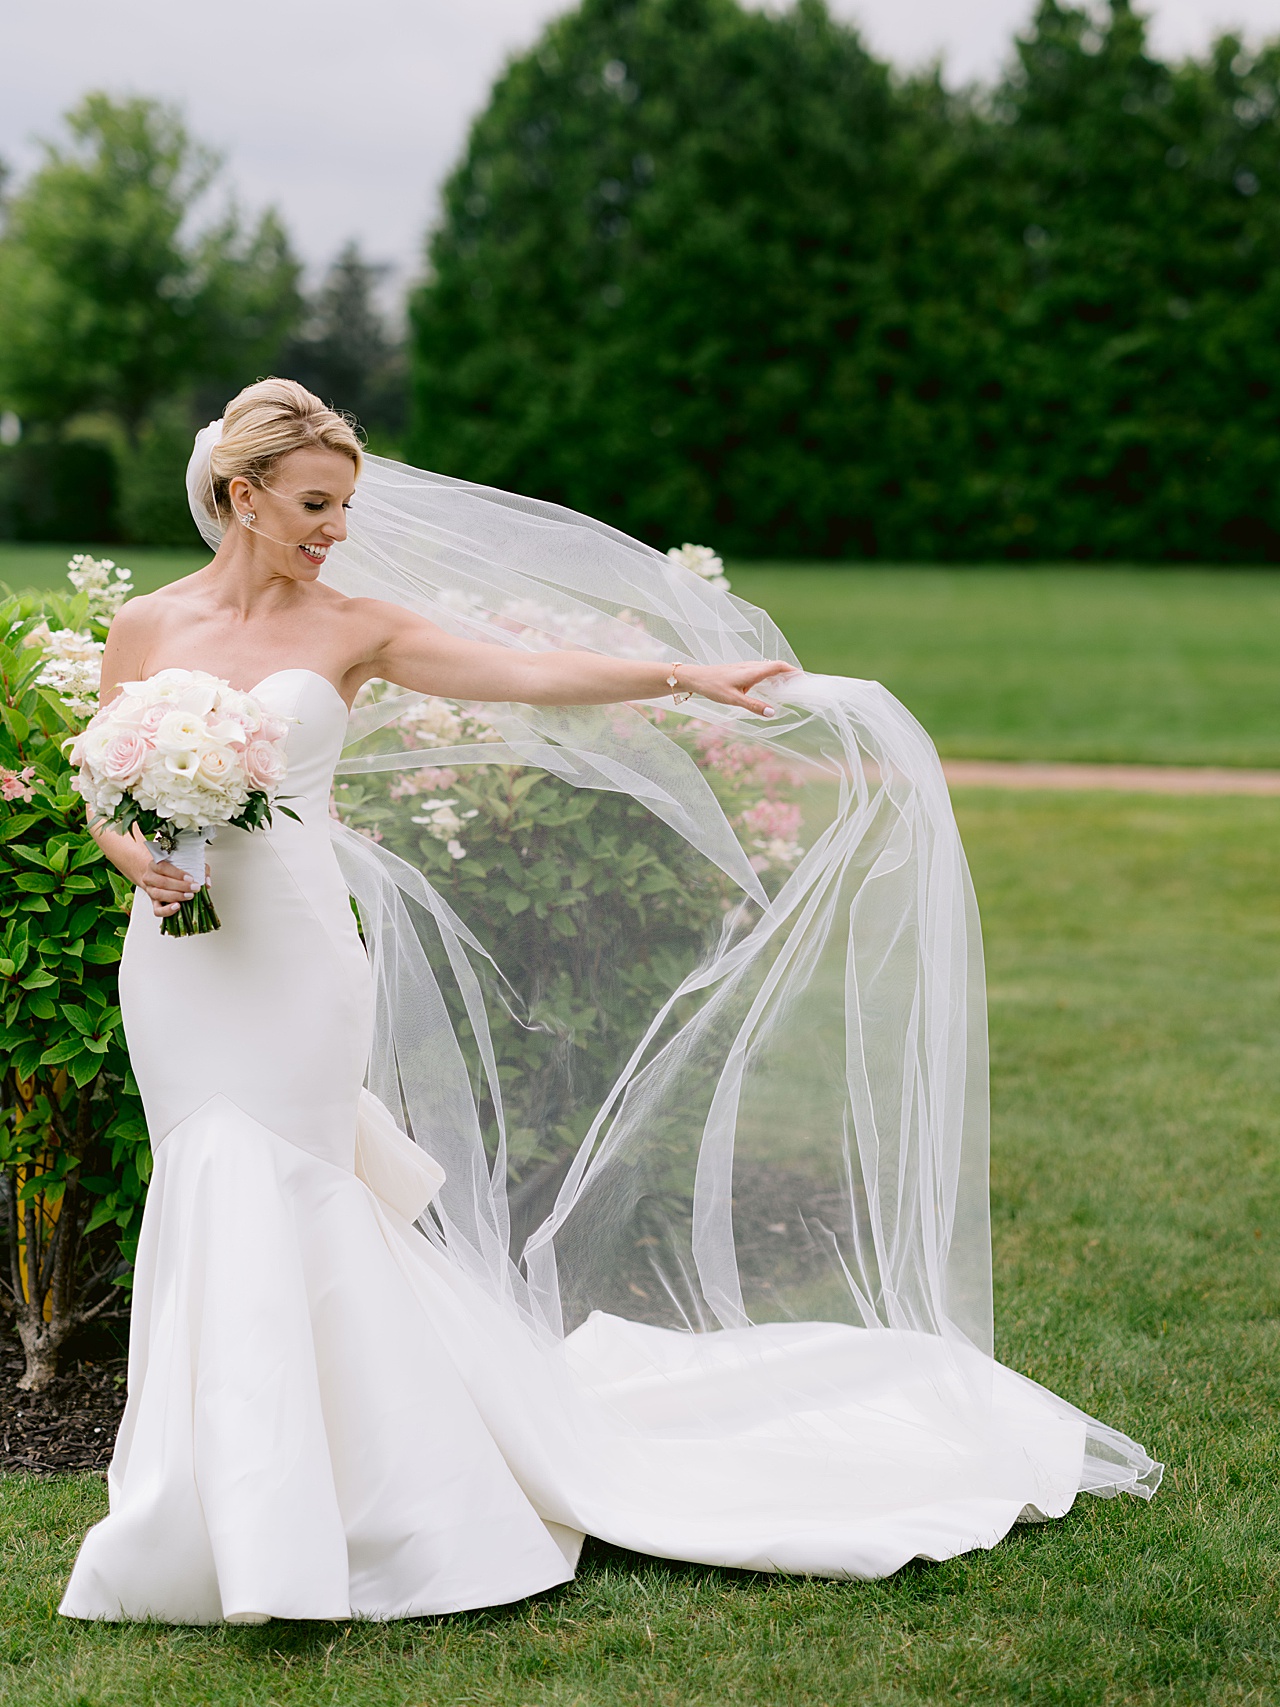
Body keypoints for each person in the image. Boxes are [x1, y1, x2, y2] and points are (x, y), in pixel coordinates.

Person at [60, 379, 1159, 1624]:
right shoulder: (148, 628)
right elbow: (106, 781)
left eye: (348, 505)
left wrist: (686, 676)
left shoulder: (353, 626)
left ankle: (350, 1507)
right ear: (240, 494)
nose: (337, 528)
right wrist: (132, 855)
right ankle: (214, 1503)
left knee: (290, 1184)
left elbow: (525, 675)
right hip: (180, 960)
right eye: (316, 505)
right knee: (206, 1179)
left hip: (302, 960)